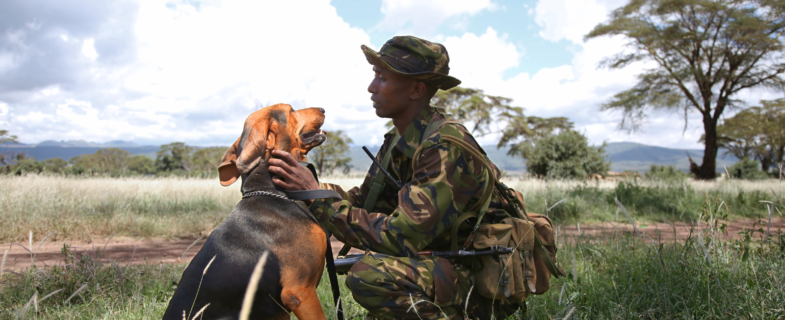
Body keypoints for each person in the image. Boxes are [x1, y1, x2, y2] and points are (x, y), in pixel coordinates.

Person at [268, 36, 517, 320]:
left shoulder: (444, 147)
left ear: (416, 89)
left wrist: (317, 199)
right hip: (442, 262)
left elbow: (401, 238)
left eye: (382, 79)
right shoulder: (402, 140)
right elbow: (365, 201)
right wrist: (309, 190)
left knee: (371, 275)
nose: (371, 87)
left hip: (482, 279)